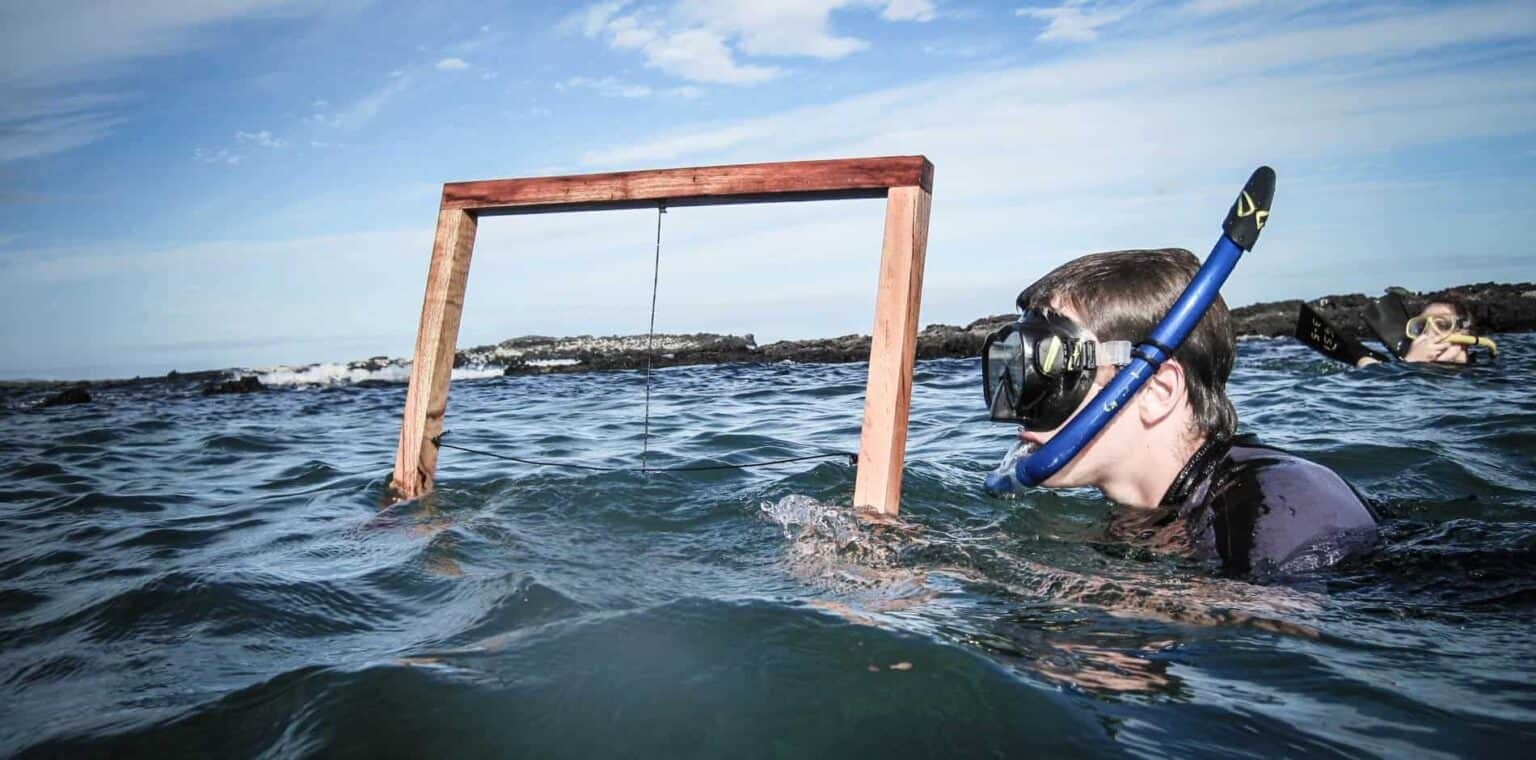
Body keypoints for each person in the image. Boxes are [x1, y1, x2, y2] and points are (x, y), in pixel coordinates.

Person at [989, 248, 1379, 580]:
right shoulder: (1141, 515)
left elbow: (1284, 622)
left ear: (1157, 391)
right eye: (1020, 370)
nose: (1023, 403)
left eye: (1053, 368)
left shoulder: (1278, 496)